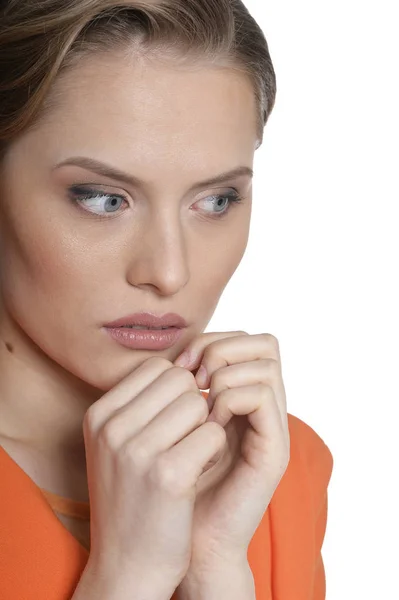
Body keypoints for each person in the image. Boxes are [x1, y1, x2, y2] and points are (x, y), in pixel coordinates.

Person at [0, 1, 333, 599]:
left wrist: (213, 571)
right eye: (104, 199)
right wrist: (128, 577)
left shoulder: (275, 472)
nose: (170, 273)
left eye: (216, 201)